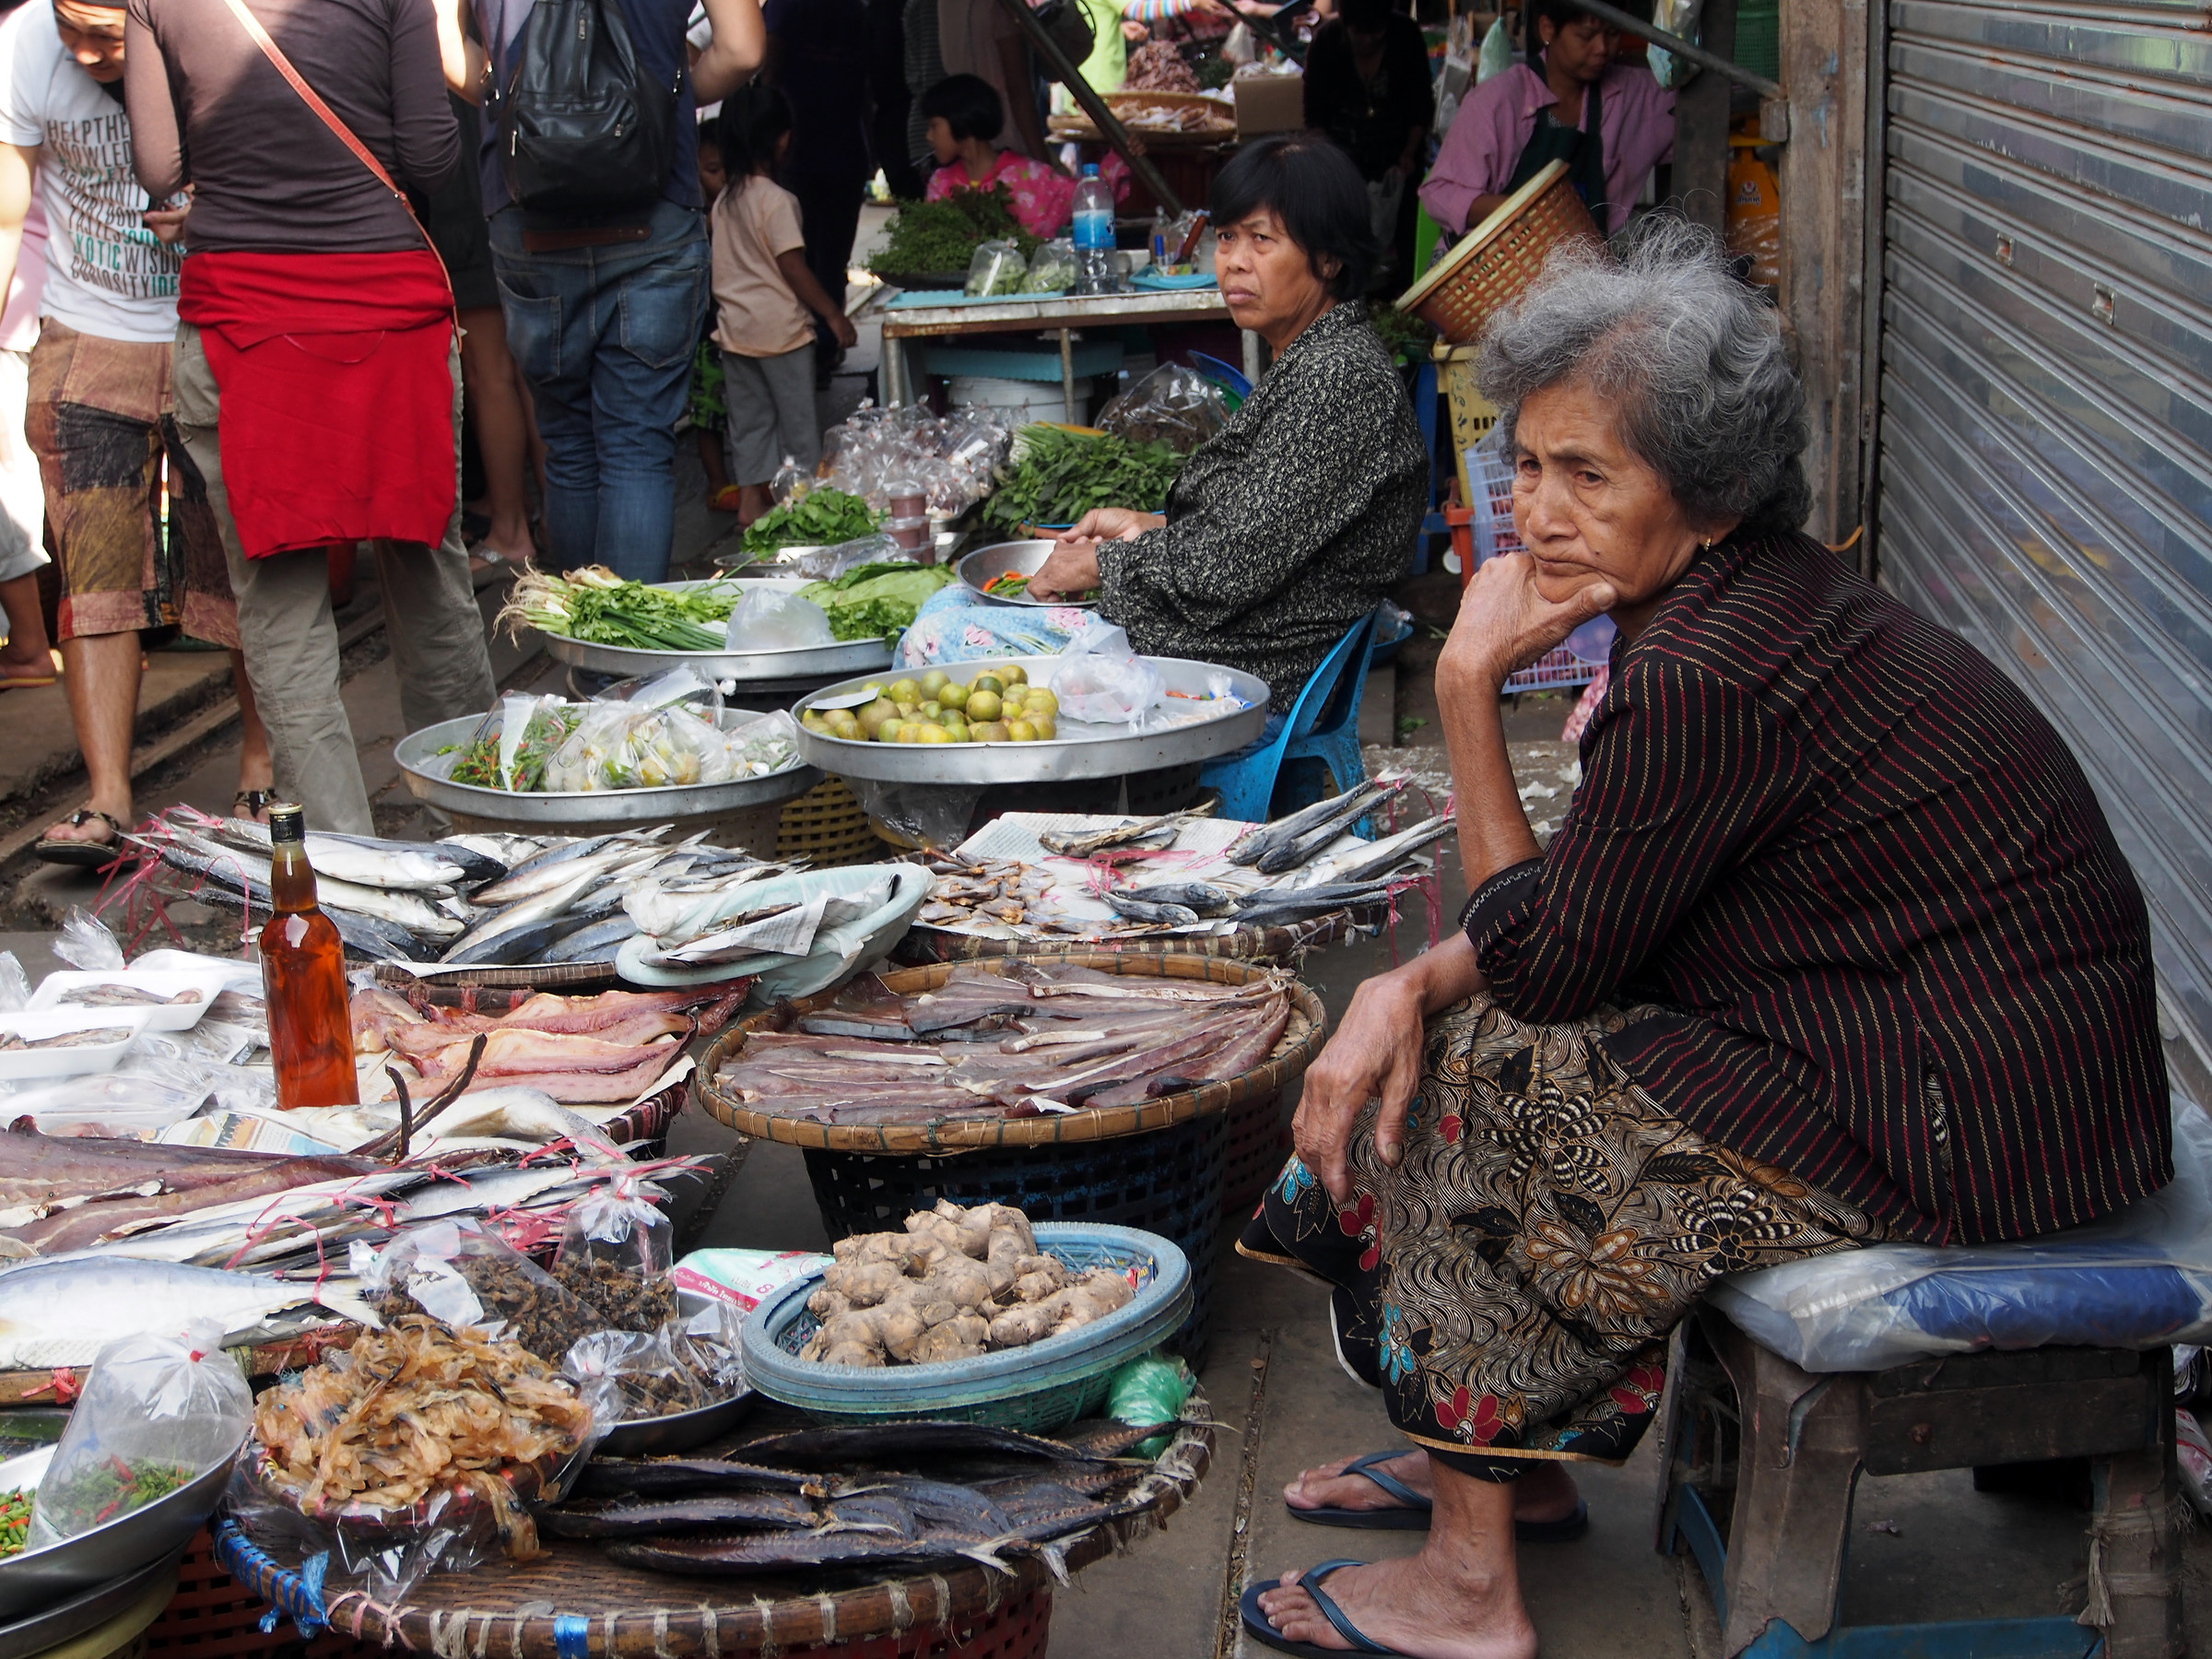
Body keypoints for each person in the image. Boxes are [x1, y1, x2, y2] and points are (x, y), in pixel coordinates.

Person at [1234, 222, 2172, 1659]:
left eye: (1589, 475)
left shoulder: (1708, 674)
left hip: (1975, 1117)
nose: (1536, 512)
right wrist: (1405, 980)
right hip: (1940, 1053)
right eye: (1527, 464)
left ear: (1715, 498)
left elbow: (1551, 965)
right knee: (1465, 1029)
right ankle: (1497, 1465)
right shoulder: (1740, 601)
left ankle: (1471, 1582)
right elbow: (1589, 907)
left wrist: (1473, 684)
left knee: (1499, 1079)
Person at [124, 0, 500, 837]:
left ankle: (344, 875)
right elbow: (433, 156)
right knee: (428, 578)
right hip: (388, 326)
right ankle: (484, 843)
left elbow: (159, 168)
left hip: (243, 330)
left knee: (279, 604)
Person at [0, 0, 273, 865]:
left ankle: (261, 770)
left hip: (215, 324)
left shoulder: (216, 31)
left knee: (242, 564)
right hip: (85, 337)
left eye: (108, 33)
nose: (86, 51)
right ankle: (109, 797)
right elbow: (7, 208)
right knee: (96, 573)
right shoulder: (22, 45)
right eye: (70, 27)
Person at [1026, 136, 1425, 712]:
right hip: (1240, 635)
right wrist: (1152, 525)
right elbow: (1267, 528)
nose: (1234, 260)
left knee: (959, 640)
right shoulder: (1316, 358)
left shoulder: (1338, 380)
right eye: (1227, 236)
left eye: (1262, 239)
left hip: (1254, 666)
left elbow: (1230, 565)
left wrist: (1099, 564)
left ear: (1330, 258)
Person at [438, 0, 765, 582]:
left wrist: (511, 94)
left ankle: (582, 654)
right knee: (637, 445)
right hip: (653, 204)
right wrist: (663, 93)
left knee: (567, 443)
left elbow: (443, 46)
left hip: (528, 208)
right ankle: (625, 667)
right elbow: (742, 49)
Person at [710, 86, 856, 526]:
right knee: (798, 428)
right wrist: (832, 313)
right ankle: (804, 509)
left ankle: (752, 506)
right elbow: (792, 267)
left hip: (736, 332)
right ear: (782, 140)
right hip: (782, 335)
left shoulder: (723, 202)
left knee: (749, 426)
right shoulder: (776, 201)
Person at [1419, 0, 1671, 242]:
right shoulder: (1497, 102)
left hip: (1581, 272)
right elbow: (1438, 194)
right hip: (1491, 272)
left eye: (1613, 34)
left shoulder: (1638, 95)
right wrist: (1524, 212)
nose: (1602, 48)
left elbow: (1694, 124)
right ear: (1547, 30)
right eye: (1586, 36)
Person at [420, 90, 539, 566]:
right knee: (527, 373)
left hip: (466, 203)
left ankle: (511, 529)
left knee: (489, 376)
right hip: (515, 192)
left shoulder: (436, 22)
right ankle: (542, 515)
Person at [763, 0, 869, 385]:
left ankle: (806, 351)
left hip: (797, 148)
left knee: (796, 256)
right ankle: (824, 349)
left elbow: (769, 69)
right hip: (844, 147)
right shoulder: (855, 10)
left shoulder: (784, 7)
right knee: (830, 259)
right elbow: (868, 84)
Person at [1303, 0, 1431, 284]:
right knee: (1347, 250)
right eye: (1359, 33)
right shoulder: (1326, 43)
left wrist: (1409, 153)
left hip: (1398, 162)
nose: (1367, 41)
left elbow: (1421, 105)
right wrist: (1331, 166)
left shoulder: (1406, 37)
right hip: (1344, 162)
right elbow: (1314, 120)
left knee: (1405, 243)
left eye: (1375, 34)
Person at [920, 73, 1127, 241]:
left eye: (934, 126)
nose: (928, 136)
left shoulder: (1032, 177)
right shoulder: (940, 185)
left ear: (962, 121)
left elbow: (1090, 195)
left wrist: (1125, 151)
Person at [0, 181, 50, 693]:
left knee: (7, 488)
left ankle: (31, 645)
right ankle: (95, 636)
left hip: (11, 311)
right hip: (49, 296)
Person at [937, 0, 1045, 160]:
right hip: (1005, 134)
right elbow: (1017, 87)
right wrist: (1044, 163)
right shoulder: (998, 7)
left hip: (965, 131)